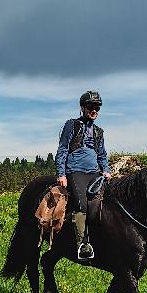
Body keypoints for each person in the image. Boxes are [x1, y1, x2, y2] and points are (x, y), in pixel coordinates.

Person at [55, 91, 112, 260]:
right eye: (91, 107)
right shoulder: (71, 125)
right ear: (82, 108)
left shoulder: (99, 132)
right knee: (81, 205)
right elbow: (63, 149)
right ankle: (83, 244)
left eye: (97, 107)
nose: (94, 110)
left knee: (104, 203)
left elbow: (102, 154)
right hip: (75, 171)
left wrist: (106, 170)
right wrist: (61, 174)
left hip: (94, 172)